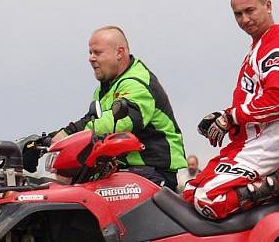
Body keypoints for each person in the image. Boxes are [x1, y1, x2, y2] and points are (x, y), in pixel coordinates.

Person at [184, 0, 279, 219]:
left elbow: (277, 101)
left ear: (268, 6)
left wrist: (231, 117)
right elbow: (253, 99)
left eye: (250, 10)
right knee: (188, 191)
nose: (244, 19)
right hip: (245, 144)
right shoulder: (258, 47)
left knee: (207, 199)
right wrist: (224, 117)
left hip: (266, 146)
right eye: (238, 14)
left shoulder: (276, 47)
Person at [55, 25, 187, 190]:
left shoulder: (137, 82)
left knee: (104, 198)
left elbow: (116, 122)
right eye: (90, 53)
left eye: (97, 53)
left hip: (153, 171)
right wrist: (50, 139)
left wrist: (68, 135)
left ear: (119, 52)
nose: (91, 58)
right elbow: (91, 119)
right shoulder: (106, 88)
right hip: (124, 171)